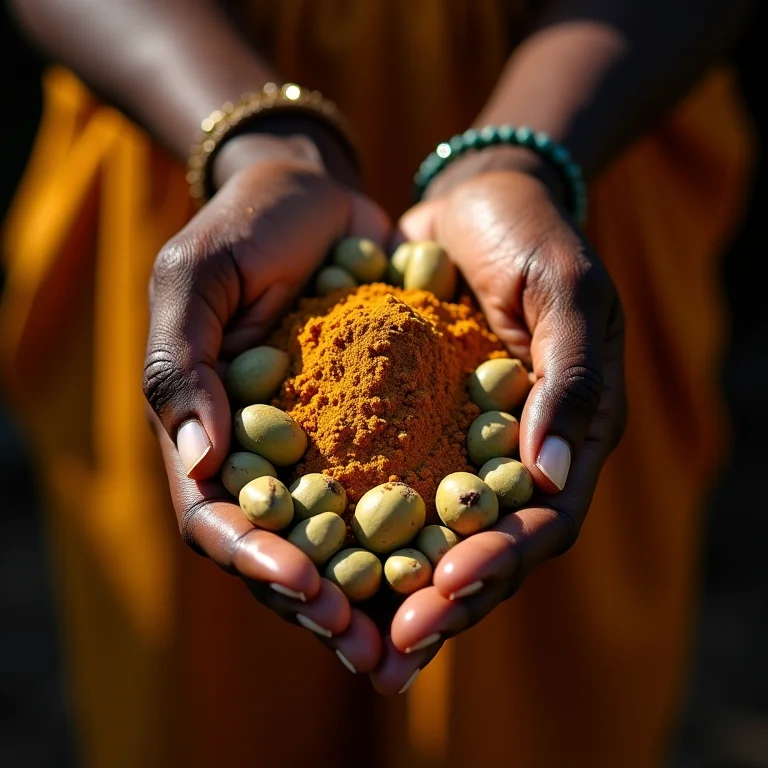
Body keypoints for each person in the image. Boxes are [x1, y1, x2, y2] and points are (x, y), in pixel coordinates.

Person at [0, 0, 755, 765]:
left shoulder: (481, 371)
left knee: (542, 712)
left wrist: (520, 157)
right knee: (194, 706)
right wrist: (254, 142)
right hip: (179, 95)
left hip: (587, 114)